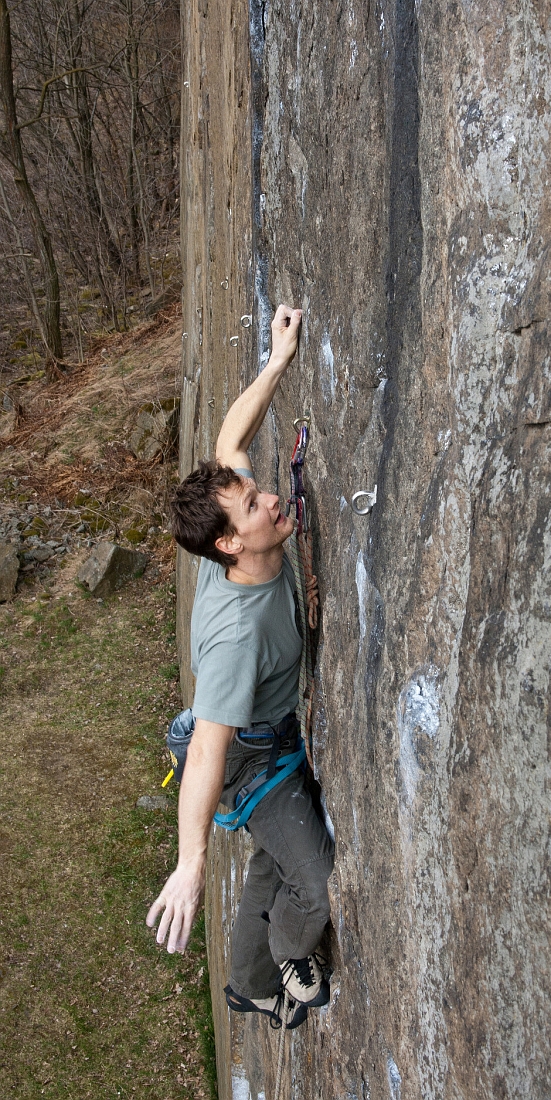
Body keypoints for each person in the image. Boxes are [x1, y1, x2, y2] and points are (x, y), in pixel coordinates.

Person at [146, 303, 333, 1029]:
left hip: (257, 738)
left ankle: (248, 984)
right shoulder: (235, 642)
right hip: (253, 760)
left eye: (255, 492)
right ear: (229, 543)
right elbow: (207, 756)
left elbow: (230, 435)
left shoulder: (239, 545)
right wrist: (190, 863)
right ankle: (288, 953)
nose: (270, 499)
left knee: (272, 857)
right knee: (313, 883)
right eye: (254, 504)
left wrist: (279, 359)